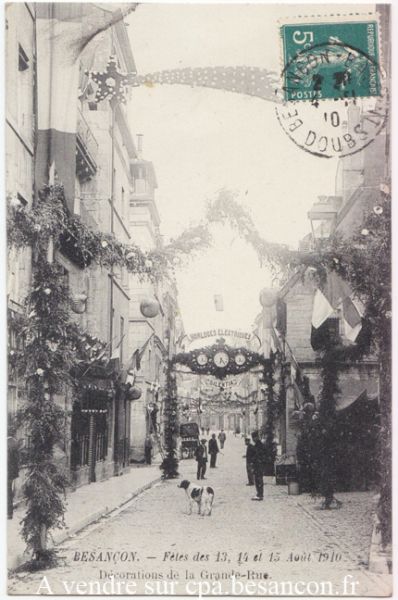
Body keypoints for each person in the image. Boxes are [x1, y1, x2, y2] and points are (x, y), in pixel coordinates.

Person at [249, 431, 266, 500]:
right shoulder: (257, 444)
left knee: (258, 479)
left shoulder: (259, 445)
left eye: (253, 438)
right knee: (258, 479)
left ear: (256, 437)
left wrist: (253, 460)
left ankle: (260, 494)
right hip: (258, 465)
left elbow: (258, 455)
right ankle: (259, 493)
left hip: (259, 465)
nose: (253, 439)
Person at [8, 432, 20, 519]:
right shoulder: (14, 442)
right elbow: (17, 459)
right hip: (11, 473)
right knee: (9, 491)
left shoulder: (7, 443)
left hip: (7, 472)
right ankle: (9, 513)